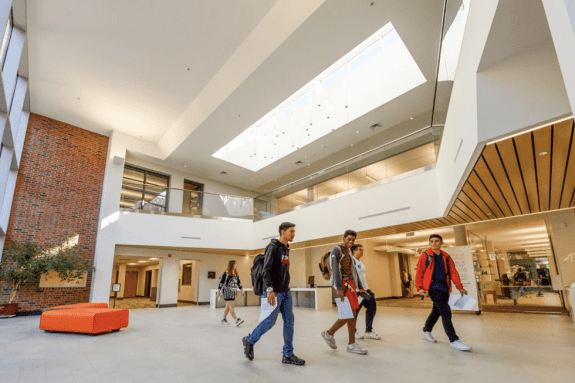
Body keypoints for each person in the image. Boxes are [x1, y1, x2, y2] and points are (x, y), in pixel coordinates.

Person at [242, 222, 305, 366]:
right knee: (270, 321)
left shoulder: (285, 249)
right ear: (283, 232)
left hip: (285, 292)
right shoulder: (272, 247)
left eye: (294, 231)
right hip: (274, 292)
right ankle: (250, 340)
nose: (293, 234)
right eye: (291, 231)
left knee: (289, 321)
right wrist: (269, 290)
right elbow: (266, 270)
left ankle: (288, 354)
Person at [415, 234, 472, 351]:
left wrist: (460, 287)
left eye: (437, 241)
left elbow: (453, 272)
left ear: (441, 243)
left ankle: (426, 330)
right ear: (429, 243)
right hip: (433, 288)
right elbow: (419, 272)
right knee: (445, 311)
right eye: (431, 241)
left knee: (436, 311)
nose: (434, 243)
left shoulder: (446, 257)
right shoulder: (425, 256)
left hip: (445, 288)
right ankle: (454, 340)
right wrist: (419, 288)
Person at [321, 230, 368, 355]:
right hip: (342, 285)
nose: (350, 242)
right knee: (349, 314)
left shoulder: (348, 252)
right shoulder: (337, 250)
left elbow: (353, 271)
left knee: (352, 313)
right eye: (348, 239)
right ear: (343, 238)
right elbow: (335, 270)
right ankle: (329, 333)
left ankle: (351, 343)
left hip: (350, 285)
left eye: (353, 240)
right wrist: (338, 288)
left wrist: (360, 286)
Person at [351, 244, 380, 340]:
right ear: (354, 251)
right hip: (356, 291)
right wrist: (358, 289)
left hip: (365, 289)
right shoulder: (352, 263)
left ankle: (368, 331)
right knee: (355, 312)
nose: (362, 251)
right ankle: (353, 332)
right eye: (360, 250)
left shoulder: (361, 262)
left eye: (362, 249)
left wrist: (365, 288)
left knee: (372, 305)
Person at [216, 260, 245, 326]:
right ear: (231, 265)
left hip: (233, 293)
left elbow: (238, 283)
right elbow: (221, 282)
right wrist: (218, 291)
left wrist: (242, 290)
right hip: (227, 292)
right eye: (235, 264)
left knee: (228, 307)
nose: (236, 266)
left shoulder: (236, 274)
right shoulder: (226, 273)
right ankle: (236, 320)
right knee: (231, 306)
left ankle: (224, 319)